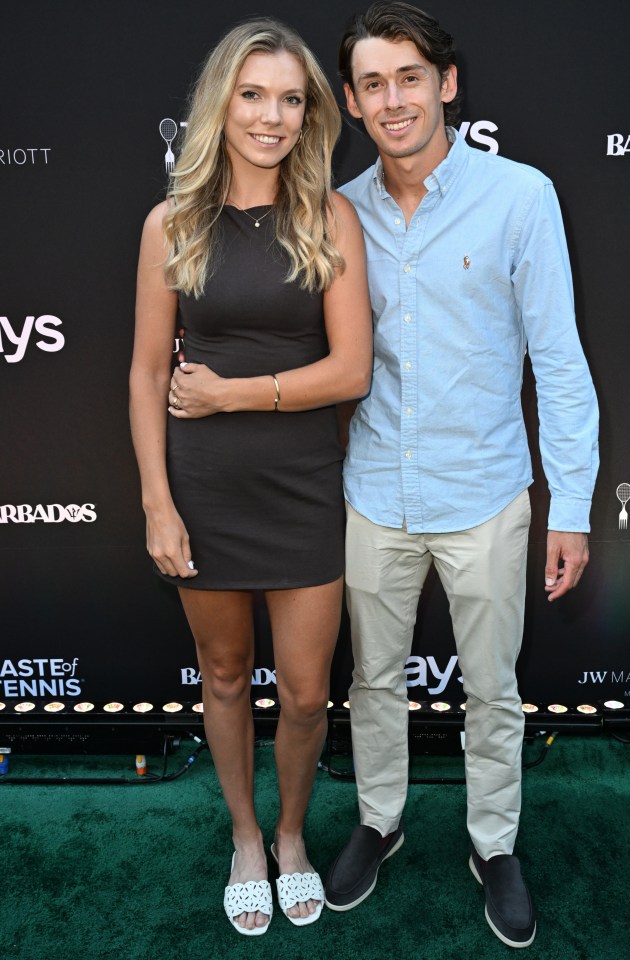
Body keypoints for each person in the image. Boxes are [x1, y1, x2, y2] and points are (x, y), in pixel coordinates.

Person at [324, 1, 599, 949]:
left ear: (448, 84)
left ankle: (494, 843)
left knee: (493, 687)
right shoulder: (339, 212)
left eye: (409, 77)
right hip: (373, 491)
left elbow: (558, 361)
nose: (392, 100)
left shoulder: (522, 197)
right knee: (371, 680)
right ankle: (380, 820)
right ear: (353, 104)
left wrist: (572, 506)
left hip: (486, 492)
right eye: (372, 84)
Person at [129, 19, 372, 936]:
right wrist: (158, 502)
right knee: (225, 675)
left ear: (311, 114)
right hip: (204, 488)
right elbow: (149, 374)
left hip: (305, 483)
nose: (272, 116)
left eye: (292, 98)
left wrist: (233, 393)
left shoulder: (329, 216)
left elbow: (352, 369)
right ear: (220, 104)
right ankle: (243, 836)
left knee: (307, 693)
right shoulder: (172, 224)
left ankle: (294, 835)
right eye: (253, 94)